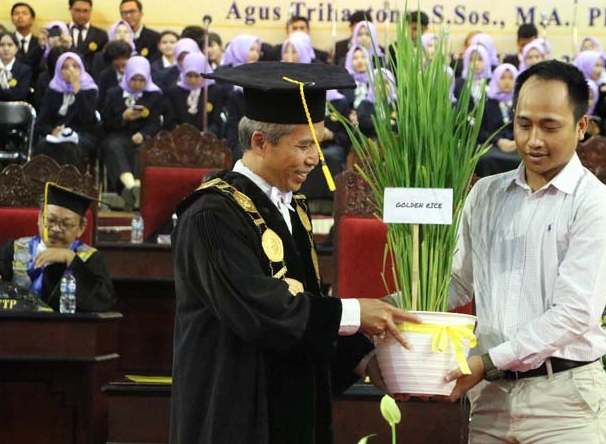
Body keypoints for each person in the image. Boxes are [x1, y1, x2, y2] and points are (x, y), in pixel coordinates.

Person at [169, 61, 419, 444]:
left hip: (292, 413)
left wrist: (363, 359)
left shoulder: (293, 207)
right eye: (304, 145)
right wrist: (354, 312)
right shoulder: (211, 214)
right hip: (234, 413)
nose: (315, 158)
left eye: (318, 143)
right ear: (259, 142)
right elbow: (259, 311)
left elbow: (305, 312)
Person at [442, 60, 606, 443]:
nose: (533, 140)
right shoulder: (485, 194)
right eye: (523, 124)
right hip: (491, 400)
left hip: (563, 402)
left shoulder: (597, 206)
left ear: (581, 126)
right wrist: (390, 311)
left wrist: (487, 362)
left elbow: (574, 313)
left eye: (549, 126)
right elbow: (457, 283)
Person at [0, 182, 114, 312]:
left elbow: (103, 302)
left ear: (81, 228)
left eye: (66, 224)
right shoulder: (13, 249)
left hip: (66, 330)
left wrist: (70, 258)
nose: (56, 229)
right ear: (40, 218)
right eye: (50, 220)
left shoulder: (91, 258)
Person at [101, 56, 162, 208]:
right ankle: (130, 187)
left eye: (142, 80)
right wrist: (123, 117)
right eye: (134, 79)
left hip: (142, 136)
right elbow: (106, 122)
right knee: (113, 147)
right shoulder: (113, 94)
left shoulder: (154, 95)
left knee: (144, 149)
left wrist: (143, 134)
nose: (137, 84)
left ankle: (137, 190)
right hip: (118, 135)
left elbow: (155, 123)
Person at [31, 52, 100, 170]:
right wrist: (53, 130)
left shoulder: (90, 90)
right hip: (56, 135)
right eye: (65, 67)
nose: (71, 71)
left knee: (67, 147)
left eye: (75, 66)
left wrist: (77, 88)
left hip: (82, 135)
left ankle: (70, 186)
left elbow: (89, 120)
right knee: (42, 146)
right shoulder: (53, 91)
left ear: (81, 68)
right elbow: (40, 124)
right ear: (59, 71)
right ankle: (43, 186)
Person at [163, 52, 226, 136]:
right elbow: (170, 120)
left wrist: (206, 134)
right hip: (180, 139)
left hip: (207, 140)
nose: (193, 80)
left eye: (197, 76)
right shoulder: (175, 91)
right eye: (189, 76)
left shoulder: (213, 91)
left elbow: (217, 121)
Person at [476, 63, 520, 176]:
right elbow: (481, 132)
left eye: (511, 77)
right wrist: (498, 141)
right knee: (485, 159)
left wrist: (517, 142)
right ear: (495, 79)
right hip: (493, 146)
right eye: (503, 77)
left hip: (518, 146)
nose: (507, 81)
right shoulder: (486, 105)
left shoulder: (521, 103)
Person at [0, 31, 33, 105]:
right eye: (2, 45)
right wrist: (8, 93)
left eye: (10, 45)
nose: (6, 48)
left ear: (17, 48)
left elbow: (19, 96)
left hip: (15, 112)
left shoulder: (25, 70)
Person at [68, 0, 108, 73]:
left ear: (90, 11)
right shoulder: (62, 31)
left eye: (85, 11)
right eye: (77, 10)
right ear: (70, 9)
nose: (82, 15)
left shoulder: (101, 35)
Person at [95, 41, 133, 108]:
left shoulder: (137, 74)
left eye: (124, 66)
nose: (121, 70)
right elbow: (101, 102)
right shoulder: (105, 76)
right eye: (117, 67)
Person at [10, 2, 42, 80]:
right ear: (12, 19)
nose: (20, 16)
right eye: (16, 13)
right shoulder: (7, 42)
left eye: (24, 13)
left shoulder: (40, 43)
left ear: (32, 19)